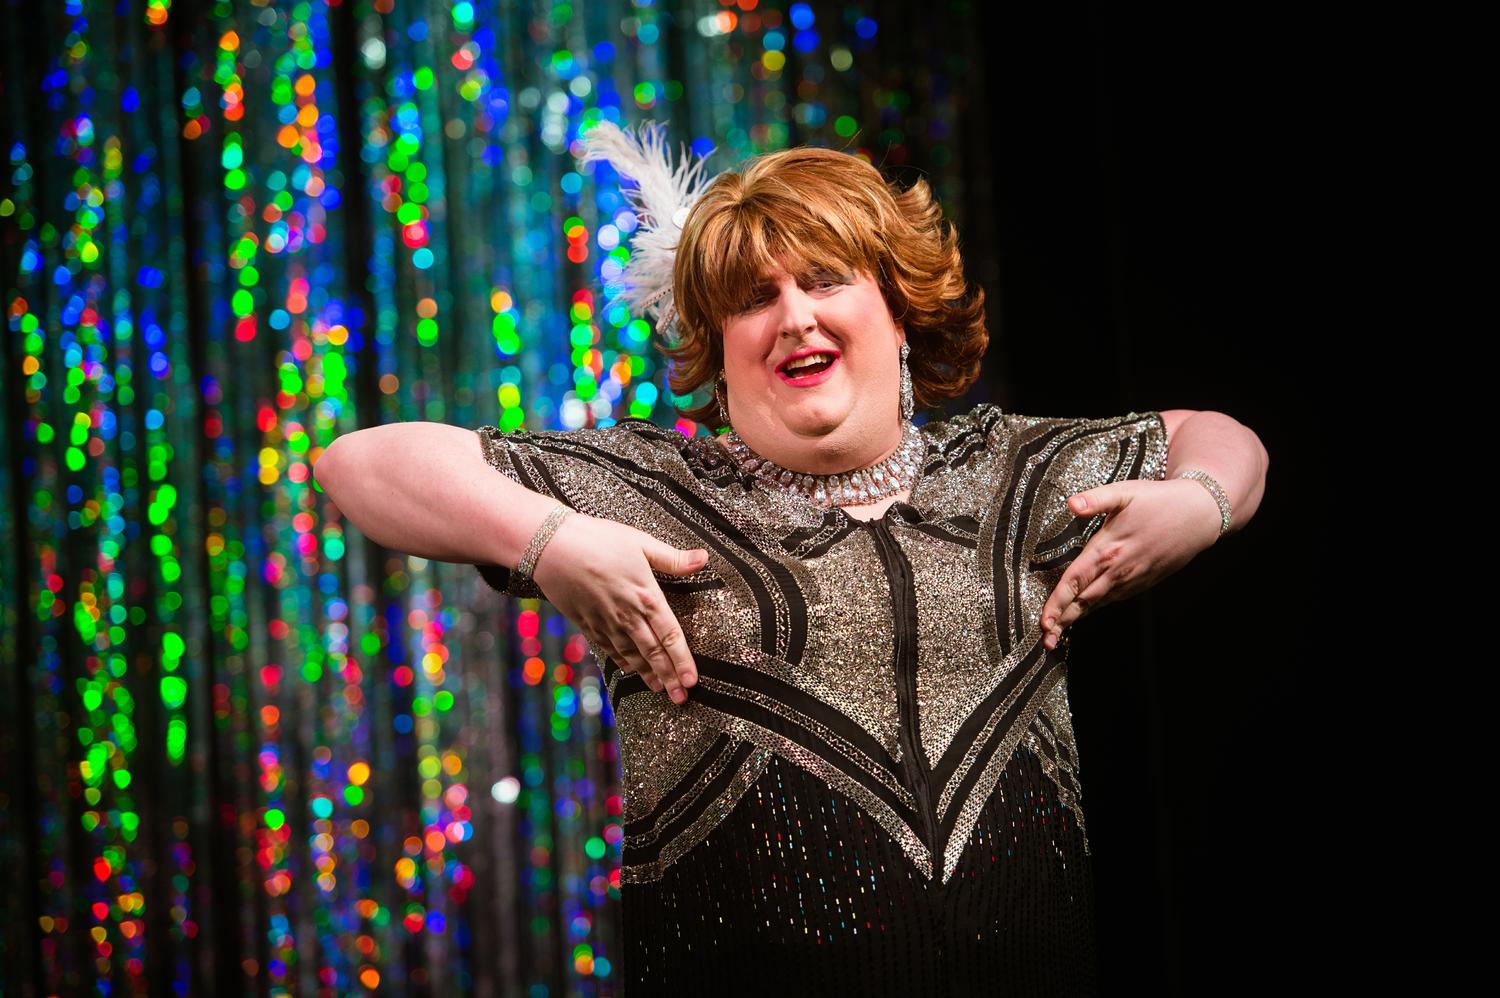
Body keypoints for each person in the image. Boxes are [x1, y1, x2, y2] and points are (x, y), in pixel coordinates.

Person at [316, 129, 1268, 996]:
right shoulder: (653, 487)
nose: (794, 316)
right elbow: (360, 465)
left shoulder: (1013, 473)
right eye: (753, 298)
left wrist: (1202, 499)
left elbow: (1218, 436)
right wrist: (552, 538)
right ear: (717, 346)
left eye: (824, 281)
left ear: (898, 311)